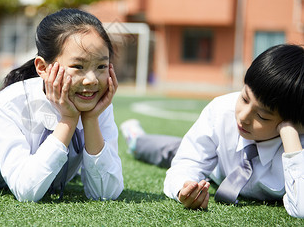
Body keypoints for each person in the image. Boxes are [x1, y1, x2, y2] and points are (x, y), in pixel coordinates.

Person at [120, 44, 304, 218]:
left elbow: (301, 208)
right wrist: (183, 187)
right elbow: (187, 163)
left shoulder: (297, 145)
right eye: (245, 98)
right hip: (213, 164)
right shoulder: (222, 111)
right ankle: (136, 138)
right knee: (169, 150)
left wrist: (289, 136)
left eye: (262, 116)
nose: (243, 117)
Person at [0, 8, 124, 202]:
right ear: (42, 67)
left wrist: (90, 119)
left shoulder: (99, 105)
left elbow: (106, 193)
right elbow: (27, 191)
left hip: (48, 161)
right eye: (78, 67)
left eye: (101, 66)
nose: (91, 80)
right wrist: (68, 119)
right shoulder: (6, 103)